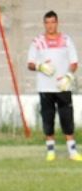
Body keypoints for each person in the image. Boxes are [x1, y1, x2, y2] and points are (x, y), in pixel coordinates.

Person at [27, 10, 79, 162]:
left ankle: (72, 152)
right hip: (45, 88)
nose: (50, 26)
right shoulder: (37, 42)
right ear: (44, 24)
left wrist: (69, 76)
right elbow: (30, 64)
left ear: (57, 23)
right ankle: (51, 151)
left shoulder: (66, 40)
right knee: (48, 119)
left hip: (63, 87)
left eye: (53, 22)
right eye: (47, 23)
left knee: (67, 119)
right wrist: (39, 66)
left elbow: (74, 63)